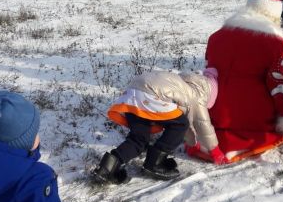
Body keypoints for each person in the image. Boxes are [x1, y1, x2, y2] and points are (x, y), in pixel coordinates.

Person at [205, 0, 283, 162]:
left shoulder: (216, 37)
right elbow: (280, 87)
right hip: (253, 120)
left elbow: (209, 76)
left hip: (214, 116)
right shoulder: (277, 44)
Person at [94, 68, 224, 183]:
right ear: (209, 94)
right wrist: (215, 151)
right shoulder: (197, 97)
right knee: (180, 125)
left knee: (138, 138)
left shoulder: (181, 81)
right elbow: (202, 125)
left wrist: (192, 143)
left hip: (133, 91)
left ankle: (107, 168)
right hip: (149, 94)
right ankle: (154, 163)